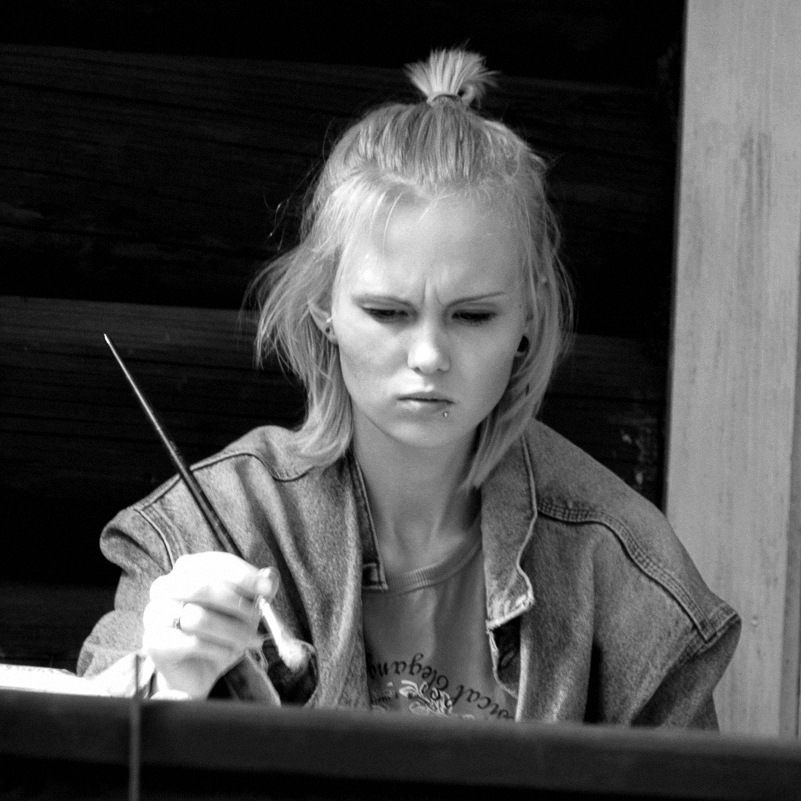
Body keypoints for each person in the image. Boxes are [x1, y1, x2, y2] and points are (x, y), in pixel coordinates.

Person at [79, 49, 740, 725]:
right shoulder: (207, 529)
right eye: (388, 312)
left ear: (529, 315)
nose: (428, 356)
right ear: (323, 306)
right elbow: (78, 743)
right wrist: (167, 684)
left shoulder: (624, 568)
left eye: (472, 315)